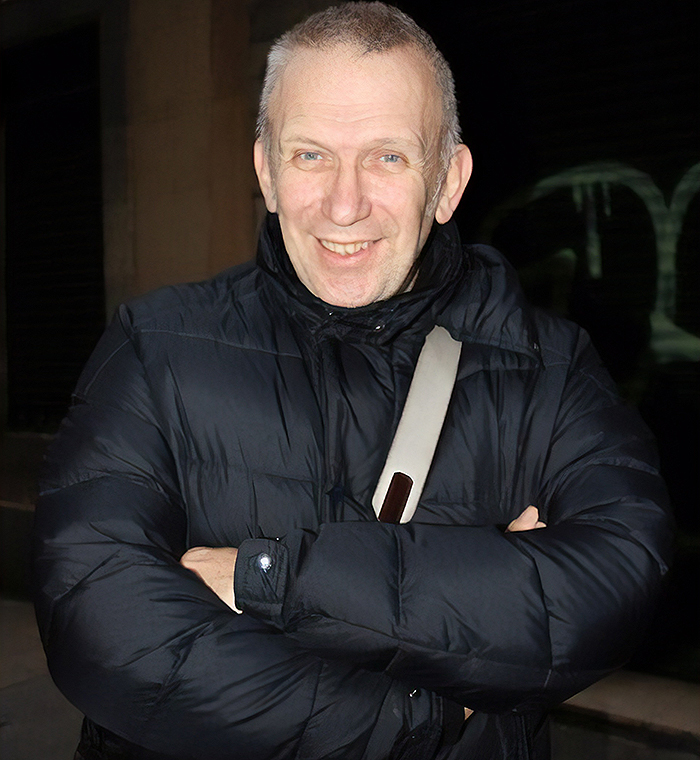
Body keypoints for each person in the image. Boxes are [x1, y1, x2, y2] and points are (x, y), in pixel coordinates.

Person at [33, 4, 672, 759]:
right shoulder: (155, 348)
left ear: (448, 182)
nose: (345, 204)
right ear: (266, 172)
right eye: (310, 155)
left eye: (388, 157)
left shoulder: (548, 369)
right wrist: (425, 713)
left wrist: (273, 579)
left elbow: (612, 585)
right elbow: (101, 618)